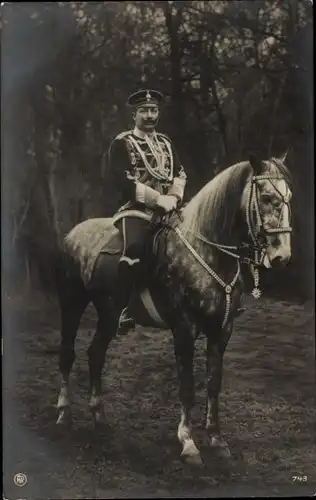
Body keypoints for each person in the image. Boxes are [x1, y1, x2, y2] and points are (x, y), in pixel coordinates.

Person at [108, 89, 187, 335]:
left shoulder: (166, 142)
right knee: (134, 249)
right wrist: (156, 199)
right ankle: (122, 310)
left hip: (170, 208)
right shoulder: (123, 143)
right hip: (136, 210)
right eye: (144, 111)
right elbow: (122, 181)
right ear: (134, 114)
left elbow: (180, 173)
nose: (150, 115)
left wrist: (173, 197)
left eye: (153, 110)